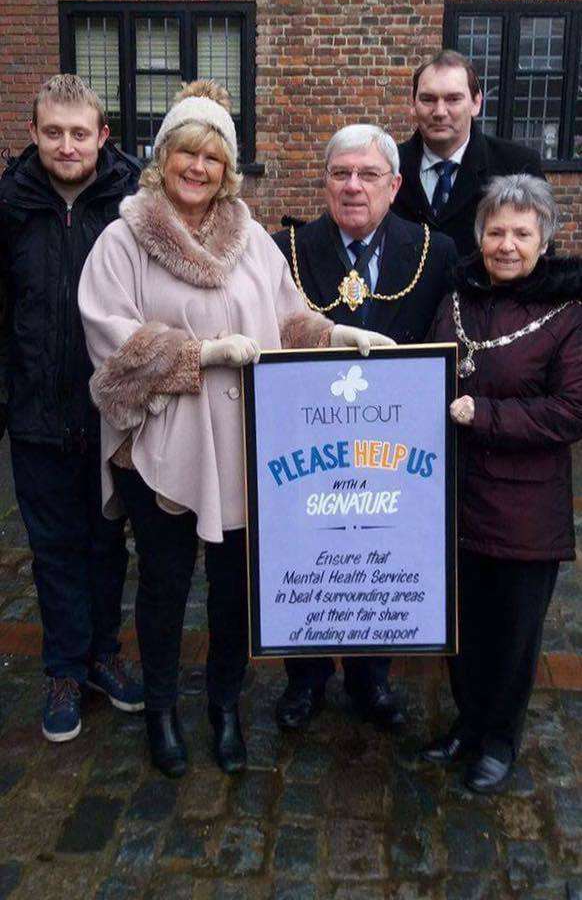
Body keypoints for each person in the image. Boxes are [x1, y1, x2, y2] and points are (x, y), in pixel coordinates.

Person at [78, 81, 394, 779]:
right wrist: (197, 354)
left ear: (228, 168)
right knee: (161, 585)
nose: (198, 168)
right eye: (186, 152)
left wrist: (334, 332)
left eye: (213, 157)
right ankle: (161, 709)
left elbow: (285, 317)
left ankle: (224, 706)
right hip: (160, 443)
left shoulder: (251, 238)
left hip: (247, 442)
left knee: (232, 586)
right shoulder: (124, 237)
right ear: (163, 158)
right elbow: (108, 336)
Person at [273, 123, 458, 733]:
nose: (354, 186)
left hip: (393, 446)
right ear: (325, 181)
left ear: (395, 183)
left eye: (368, 174)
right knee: (310, 553)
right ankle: (304, 678)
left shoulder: (435, 251)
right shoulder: (287, 252)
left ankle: (370, 678)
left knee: (379, 550)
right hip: (310, 443)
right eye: (340, 173)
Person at [423, 174, 582, 794]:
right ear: (479, 236)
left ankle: (498, 740)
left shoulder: (568, 313)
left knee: (515, 636)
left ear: (544, 239)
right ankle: (468, 722)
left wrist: (483, 414)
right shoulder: (457, 297)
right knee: (462, 626)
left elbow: (572, 410)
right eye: (496, 231)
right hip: (454, 498)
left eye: (521, 232)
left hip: (524, 510)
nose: (507, 244)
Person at [0, 74, 143, 743]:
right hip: (36, 413)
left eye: (79, 133)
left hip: (112, 410)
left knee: (107, 539)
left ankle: (104, 653)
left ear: (102, 136)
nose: (66, 145)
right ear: (32, 134)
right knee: (54, 546)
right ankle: (63, 665)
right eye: (52, 132)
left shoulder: (132, 203)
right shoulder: (9, 207)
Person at [392, 50, 546, 258]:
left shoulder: (517, 165)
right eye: (428, 99)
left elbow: (540, 255)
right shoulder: (388, 166)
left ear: (476, 103)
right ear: (413, 104)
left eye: (453, 99)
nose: (439, 112)